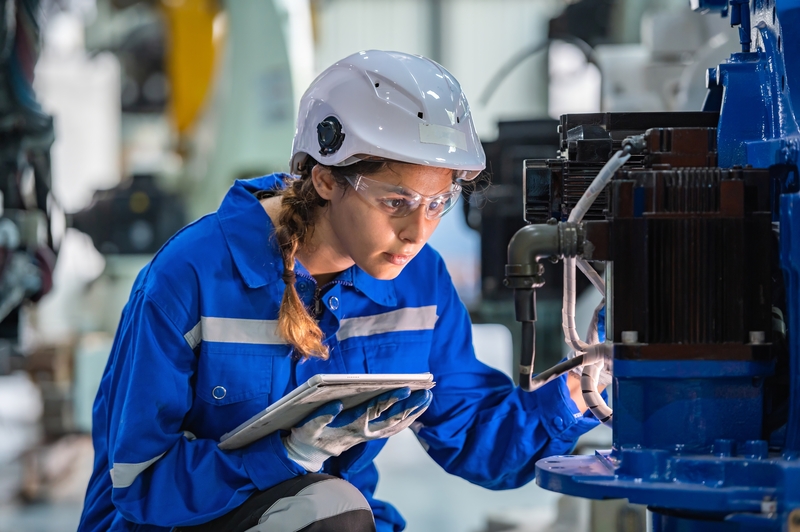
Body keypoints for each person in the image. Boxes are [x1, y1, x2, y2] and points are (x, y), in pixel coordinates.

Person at [78, 50, 602, 532]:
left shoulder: (419, 283)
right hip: (171, 524)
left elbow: (478, 440)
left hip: (325, 518)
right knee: (330, 510)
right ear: (327, 179)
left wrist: (574, 395)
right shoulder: (190, 276)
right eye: (396, 201)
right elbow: (139, 484)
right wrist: (287, 455)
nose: (418, 233)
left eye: (438, 203)